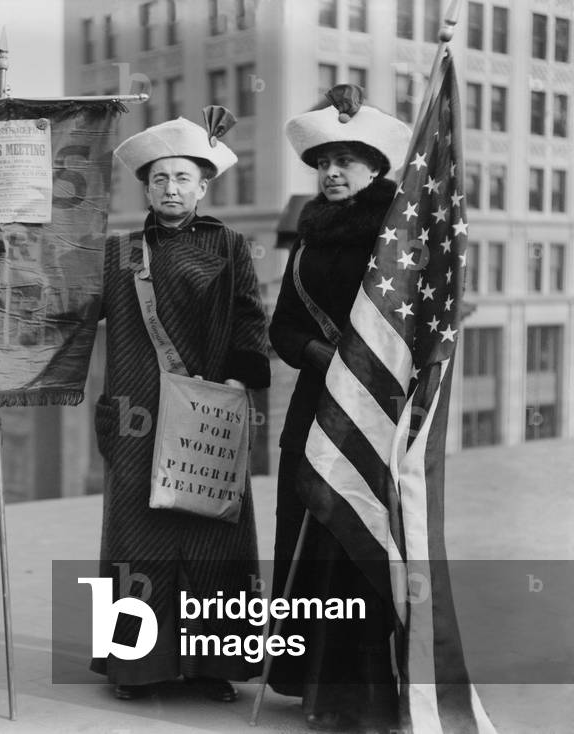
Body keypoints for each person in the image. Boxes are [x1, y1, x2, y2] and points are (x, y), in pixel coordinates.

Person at [91, 112, 271, 701]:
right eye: (160, 178)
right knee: (136, 539)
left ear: (203, 186)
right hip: (137, 411)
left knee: (212, 538)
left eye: (183, 178)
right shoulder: (118, 254)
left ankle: (212, 668)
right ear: (145, 187)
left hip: (208, 412)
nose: (171, 188)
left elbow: (249, 316)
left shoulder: (229, 245)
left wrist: (243, 380)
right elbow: (66, 315)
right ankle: (135, 667)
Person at [267, 84, 412, 732]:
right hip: (312, 408)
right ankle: (313, 687)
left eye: (346, 161)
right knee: (308, 538)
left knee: (356, 548)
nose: (331, 173)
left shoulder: (396, 239)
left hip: (373, 414)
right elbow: (281, 331)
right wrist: (314, 354)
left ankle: (364, 697)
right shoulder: (307, 234)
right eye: (323, 162)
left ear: (376, 169)